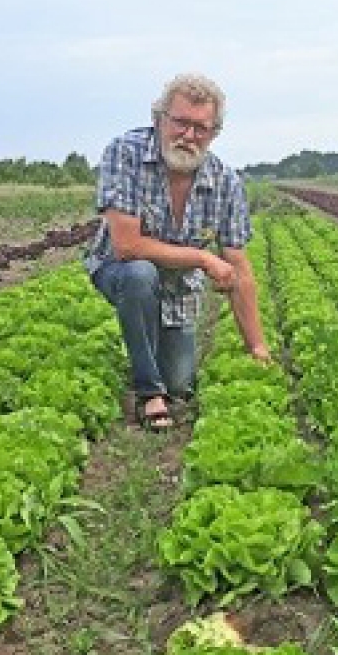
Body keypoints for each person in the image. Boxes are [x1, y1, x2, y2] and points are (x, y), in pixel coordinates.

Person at [84, 73, 271, 431]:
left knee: (181, 385)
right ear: (159, 119)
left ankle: (158, 368)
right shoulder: (125, 153)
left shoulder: (225, 182)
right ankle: (148, 391)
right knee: (141, 274)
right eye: (180, 122)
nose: (188, 135)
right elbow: (127, 246)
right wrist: (202, 257)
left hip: (179, 287)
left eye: (201, 128)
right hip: (119, 270)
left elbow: (239, 267)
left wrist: (258, 347)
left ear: (214, 133)